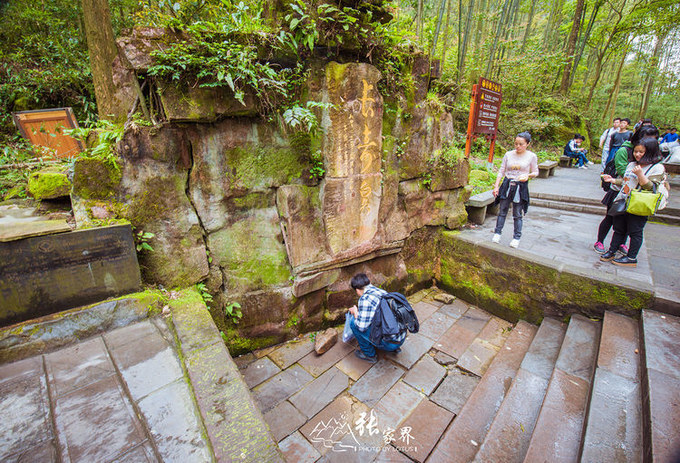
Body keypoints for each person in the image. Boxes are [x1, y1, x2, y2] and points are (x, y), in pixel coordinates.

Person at [600, 138, 666, 267]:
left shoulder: (657, 168)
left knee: (635, 231)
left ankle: (631, 257)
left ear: (650, 152)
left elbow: (651, 187)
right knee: (619, 229)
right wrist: (613, 180)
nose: (638, 154)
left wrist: (641, 174)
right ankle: (612, 251)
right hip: (624, 200)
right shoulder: (632, 165)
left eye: (641, 152)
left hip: (639, 204)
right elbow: (627, 181)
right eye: (636, 151)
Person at [592, 125, 658, 253]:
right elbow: (624, 173)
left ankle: (620, 245)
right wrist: (615, 180)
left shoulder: (653, 164)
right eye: (648, 138)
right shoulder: (626, 152)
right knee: (611, 218)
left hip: (636, 197)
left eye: (653, 138)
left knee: (627, 224)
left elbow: (652, 185)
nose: (651, 141)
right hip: (619, 192)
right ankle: (600, 241)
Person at [491, 132, 538, 249]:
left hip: (520, 186)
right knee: (502, 210)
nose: (518, 146)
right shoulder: (508, 154)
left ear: (527, 144)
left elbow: (536, 172)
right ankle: (497, 233)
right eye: (516, 143)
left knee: (517, 213)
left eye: (521, 144)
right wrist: (496, 186)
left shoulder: (531, 156)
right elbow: (501, 171)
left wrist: (528, 175)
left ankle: (516, 237)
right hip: (507, 184)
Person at [347, 273, 405, 363]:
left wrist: (355, 312)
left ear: (357, 290)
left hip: (391, 343)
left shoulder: (365, 300)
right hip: (400, 337)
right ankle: (394, 347)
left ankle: (369, 355)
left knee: (353, 323)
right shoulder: (380, 291)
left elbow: (361, 327)